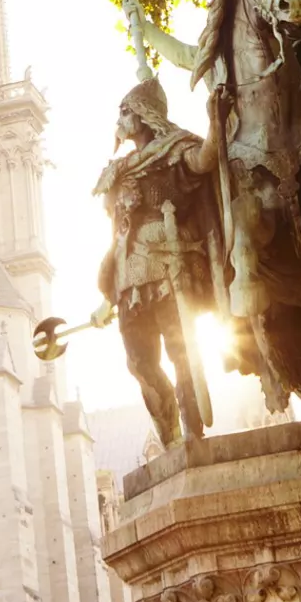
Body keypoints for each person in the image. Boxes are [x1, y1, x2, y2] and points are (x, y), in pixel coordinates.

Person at [93, 76, 222, 444]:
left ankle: (193, 432)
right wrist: (106, 298)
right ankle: (171, 437)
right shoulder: (118, 171)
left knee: (181, 354)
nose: (120, 119)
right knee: (139, 363)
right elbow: (117, 233)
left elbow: (205, 160)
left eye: (126, 111)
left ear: (143, 115)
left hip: (170, 267)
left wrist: (215, 122)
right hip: (128, 278)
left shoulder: (173, 153)